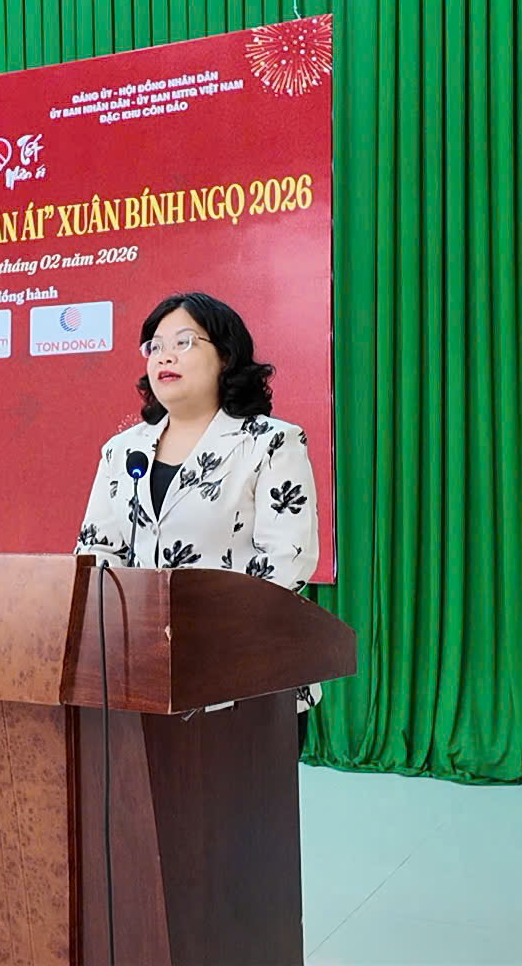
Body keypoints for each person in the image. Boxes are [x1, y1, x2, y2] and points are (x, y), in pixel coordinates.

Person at [75, 291, 322, 741]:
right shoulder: (122, 451)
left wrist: (196, 637)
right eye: (155, 346)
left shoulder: (269, 442)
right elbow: (96, 552)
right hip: (142, 678)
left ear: (225, 356)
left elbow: (286, 563)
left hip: (245, 679)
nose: (164, 355)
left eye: (184, 342)